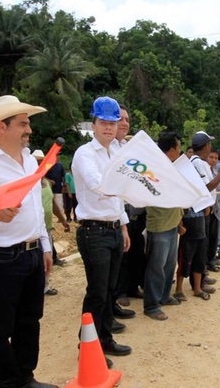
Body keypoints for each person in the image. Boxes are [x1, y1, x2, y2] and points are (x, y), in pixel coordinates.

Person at [0, 95, 57, 388]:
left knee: (29, 321)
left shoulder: (31, 161)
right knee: (0, 328)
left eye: (28, 123)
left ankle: (26, 377)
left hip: (31, 254)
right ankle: (6, 383)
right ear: (0, 127)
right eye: (22, 124)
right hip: (2, 258)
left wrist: (44, 245)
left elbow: (34, 208)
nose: (28, 130)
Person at [72, 96, 132, 369]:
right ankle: (87, 345)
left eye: (113, 122)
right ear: (93, 125)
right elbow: (99, 184)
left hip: (112, 229)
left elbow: (117, 199)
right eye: (103, 123)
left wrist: (123, 226)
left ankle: (105, 338)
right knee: (96, 291)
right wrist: (128, 184)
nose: (109, 128)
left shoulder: (114, 153)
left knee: (109, 290)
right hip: (93, 231)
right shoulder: (85, 154)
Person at [174, 131, 220, 302]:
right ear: (206, 146)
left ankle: (198, 287)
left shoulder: (197, 163)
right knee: (187, 253)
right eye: (210, 145)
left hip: (200, 213)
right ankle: (180, 289)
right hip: (192, 215)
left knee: (200, 252)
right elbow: (204, 188)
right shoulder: (197, 163)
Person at [143, 132, 184, 321]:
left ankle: (165, 296)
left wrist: (180, 221)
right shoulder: (156, 168)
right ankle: (151, 305)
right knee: (156, 266)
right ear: (172, 149)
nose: (180, 150)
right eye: (179, 146)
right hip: (159, 224)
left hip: (173, 222)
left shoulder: (172, 167)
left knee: (169, 264)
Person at [109, 104, 139, 319]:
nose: (125, 123)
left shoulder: (124, 147)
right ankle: (116, 297)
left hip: (126, 211)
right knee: (115, 262)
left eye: (127, 119)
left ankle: (125, 292)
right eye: (120, 119)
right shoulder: (104, 149)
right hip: (111, 214)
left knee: (130, 254)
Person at [31, 150, 70, 297]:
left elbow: (53, 204)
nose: (39, 164)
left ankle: (45, 286)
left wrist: (63, 220)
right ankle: (36, 288)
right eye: (36, 161)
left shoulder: (47, 183)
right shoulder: (29, 184)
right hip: (34, 230)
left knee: (46, 259)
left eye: (41, 162)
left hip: (45, 227)